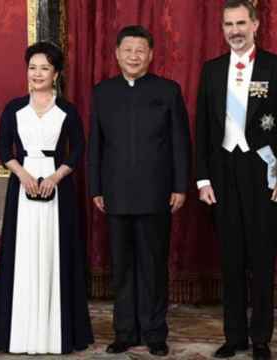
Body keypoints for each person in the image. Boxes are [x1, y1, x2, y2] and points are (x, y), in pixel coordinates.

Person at [195, 1, 277, 359]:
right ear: (222, 28)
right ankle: (234, 335)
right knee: (231, 259)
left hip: (263, 174)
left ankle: (260, 339)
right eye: (228, 24)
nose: (235, 30)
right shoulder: (211, 70)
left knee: (261, 259)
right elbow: (203, 129)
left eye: (241, 23)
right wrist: (202, 179)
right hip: (223, 174)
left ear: (255, 25)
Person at [87, 25, 191, 357]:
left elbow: (180, 143)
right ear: (116, 53)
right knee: (122, 267)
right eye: (128, 49)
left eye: (140, 50)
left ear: (151, 54)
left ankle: (155, 331)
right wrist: (96, 187)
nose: (134, 55)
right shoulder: (103, 92)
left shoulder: (168, 90)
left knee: (153, 266)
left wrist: (180, 185)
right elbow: (96, 146)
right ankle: (125, 331)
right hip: (115, 193)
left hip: (157, 192)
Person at [0, 41, 94, 354]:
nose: (37, 73)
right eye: (32, 67)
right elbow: (2, 147)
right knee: (23, 254)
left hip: (57, 187)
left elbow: (78, 149)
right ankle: (18, 334)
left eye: (44, 68)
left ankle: (55, 334)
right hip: (21, 186)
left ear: (56, 73)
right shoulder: (13, 108)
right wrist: (23, 175)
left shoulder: (67, 110)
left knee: (54, 253)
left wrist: (56, 178)